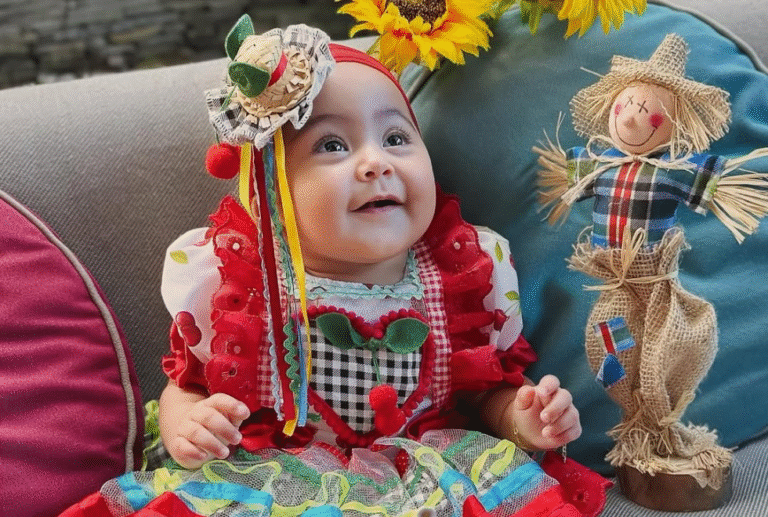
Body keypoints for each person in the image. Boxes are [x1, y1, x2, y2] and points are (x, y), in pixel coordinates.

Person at [62, 20, 608, 517]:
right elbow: (186, 385)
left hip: (432, 481)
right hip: (279, 482)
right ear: (271, 191)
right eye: (332, 145)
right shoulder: (240, 286)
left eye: (396, 138)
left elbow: (485, 395)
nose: (376, 162)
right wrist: (188, 423)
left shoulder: (463, 275)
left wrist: (523, 419)